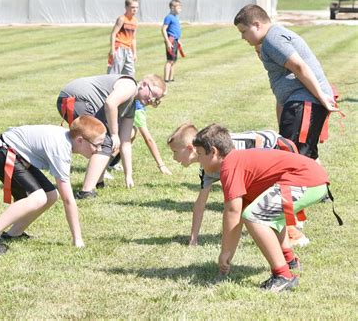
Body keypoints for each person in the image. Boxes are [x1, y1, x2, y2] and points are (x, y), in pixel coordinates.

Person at [193, 124, 331, 292]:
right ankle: (289, 261)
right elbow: (237, 217)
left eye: (199, 154)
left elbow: (232, 212)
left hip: (306, 180)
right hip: (312, 178)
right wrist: (228, 252)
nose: (198, 159)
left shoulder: (230, 166)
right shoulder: (236, 161)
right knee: (259, 211)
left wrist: (224, 252)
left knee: (255, 216)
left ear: (214, 152)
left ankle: (283, 276)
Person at [0, 116, 106, 256]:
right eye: (97, 144)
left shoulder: (66, 140)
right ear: (80, 140)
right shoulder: (61, 149)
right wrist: (77, 239)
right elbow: (68, 200)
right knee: (38, 198)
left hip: (11, 153)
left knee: (51, 195)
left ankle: (14, 233)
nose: (99, 149)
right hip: (0, 152)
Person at [167, 123, 309, 248]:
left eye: (175, 152)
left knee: (269, 198)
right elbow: (200, 204)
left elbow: (257, 141)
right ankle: (289, 226)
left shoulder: (227, 146)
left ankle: (294, 234)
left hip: (277, 147)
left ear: (190, 148)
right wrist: (194, 239)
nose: (174, 158)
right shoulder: (207, 167)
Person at [234, 4, 340, 162]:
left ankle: (301, 186)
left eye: (244, 31)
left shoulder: (273, 40)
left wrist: (322, 97)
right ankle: (316, 185)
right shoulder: (270, 40)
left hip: (304, 103)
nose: (243, 37)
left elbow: (299, 67)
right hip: (299, 103)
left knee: (295, 158)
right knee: (302, 155)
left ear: (257, 25)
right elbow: (283, 85)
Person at [57, 74, 167, 198]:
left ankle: (98, 182)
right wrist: (114, 134)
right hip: (74, 99)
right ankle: (86, 192)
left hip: (74, 100)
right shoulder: (130, 85)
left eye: (156, 99)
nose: (152, 100)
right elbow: (110, 103)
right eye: (153, 94)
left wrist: (128, 175)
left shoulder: (130, 107)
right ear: (144, 85)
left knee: (105, 140)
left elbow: (125, 142)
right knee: (105, 141)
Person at [107, 100, 172, 177]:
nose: (160, 100)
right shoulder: (137, 108)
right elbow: (148, 139)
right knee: (130, 133)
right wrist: (161, 165)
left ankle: (112, 163)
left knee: (133, 131)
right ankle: (103, 166)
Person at [107, 0, 139, 76]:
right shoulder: (121, 19)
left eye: (137, 7)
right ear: (126, 7)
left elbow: (133, 38)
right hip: (119, 48)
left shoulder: (135, 21)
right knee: (113, 73)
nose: (135, 9)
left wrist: (134, 53)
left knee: (130, 74)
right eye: (132, 7)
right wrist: (113, 49)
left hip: (128, 50)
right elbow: (113, 33)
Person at [162, 0, 183, 83]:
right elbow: (163, 29)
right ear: (172, 8)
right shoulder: (168, 17)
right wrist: (168, 42)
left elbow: (175, 31)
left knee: (174, 60)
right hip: (170, 40)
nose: (180, 9)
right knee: (170, 60)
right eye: (179, 7)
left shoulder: (176, 17)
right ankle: (166, 79)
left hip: (175, 40)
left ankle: (171, 78)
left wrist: (178, 40)